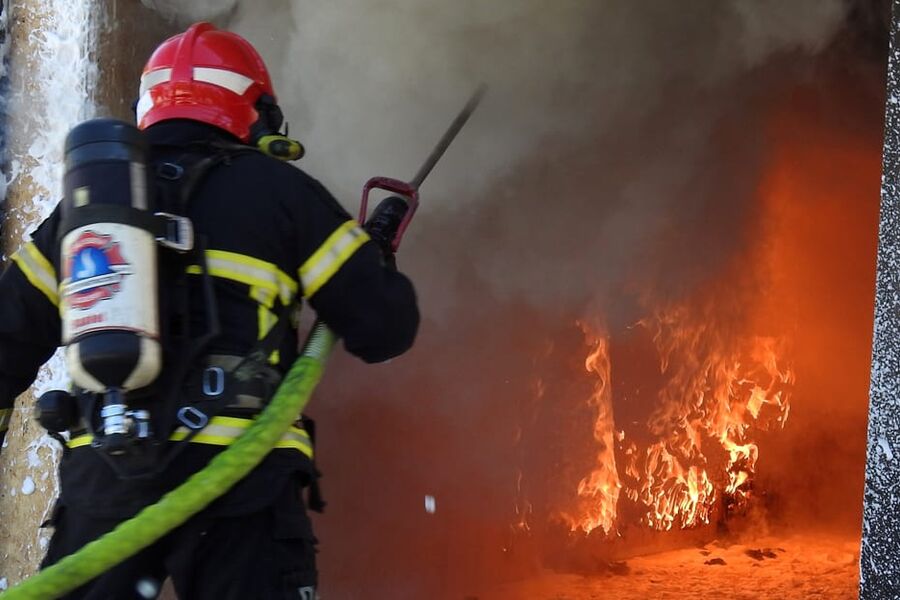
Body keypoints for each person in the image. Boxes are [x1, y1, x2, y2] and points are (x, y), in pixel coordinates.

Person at [0, 22, 419, 599]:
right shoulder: (279, 190)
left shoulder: (84, 215)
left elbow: (5, 341)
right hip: (241, 494)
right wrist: (374, 263)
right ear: (256, 112)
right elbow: (384, 330)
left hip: (109, 487)